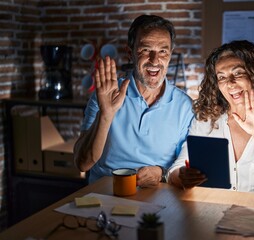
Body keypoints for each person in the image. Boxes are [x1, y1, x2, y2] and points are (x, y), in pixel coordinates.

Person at [74, 15, 194, 187]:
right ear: (130, 53)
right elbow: (83, 163)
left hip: (158, 197)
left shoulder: (185, 107)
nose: (154, 60)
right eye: (146, 50)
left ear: (170, 55)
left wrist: (161, 172)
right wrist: (106, 114)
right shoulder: (106, 95)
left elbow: (183, 165)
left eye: (163, 51)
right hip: (106, 194)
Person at [167, 40, 254, 196]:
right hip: (212, 211)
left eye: (238, 73)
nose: (230, 84)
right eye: (221, 77)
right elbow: (174, 172)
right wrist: (181, 176)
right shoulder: (206, 122)